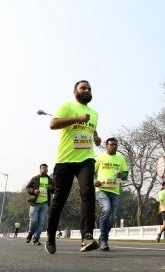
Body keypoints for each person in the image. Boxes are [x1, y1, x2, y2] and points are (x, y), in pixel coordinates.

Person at [45, 80, 102, 254]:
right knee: (59, 199)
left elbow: (91, 130)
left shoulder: (94, 113)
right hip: (65, 160)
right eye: (83, 88)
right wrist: (77, 118)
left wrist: (97, 138)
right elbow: (53, 124)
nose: (87, 90)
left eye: (89, 88)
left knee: (88, 193)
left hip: (86, 159)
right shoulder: (67, 106)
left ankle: (87, 236)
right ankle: (51, 236)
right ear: (75, 91)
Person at [94, 137, 128, 251]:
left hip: (115, 191)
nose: (114, 146)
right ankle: (104, 239)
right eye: (111, 145)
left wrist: (121, 176)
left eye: (115, 145)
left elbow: (125, 174)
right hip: (102, 190)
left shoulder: (120, 158)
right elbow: (92, 172)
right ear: (106, 145)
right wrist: (95, 181)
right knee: (106, 209)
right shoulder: (100, 157)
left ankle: (102, 238)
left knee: (112, 218)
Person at [26, 163, 54, 245]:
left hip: (45, 204)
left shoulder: (50, 180)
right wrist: (33, 191)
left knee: (41, 223)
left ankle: (36, 238)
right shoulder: (35, 178)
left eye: (45, 168)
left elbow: (54, 190)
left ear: (47, 170)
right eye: (42, 168)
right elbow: (27, 188)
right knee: (34, 221)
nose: (44, 169)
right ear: (39, 169)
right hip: (35, 203)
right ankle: (30, 234)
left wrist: (51, 188)